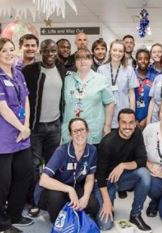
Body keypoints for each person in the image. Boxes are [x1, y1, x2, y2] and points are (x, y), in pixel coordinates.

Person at [22, 39, 66, 217]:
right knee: (33, 166)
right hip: (36, 128)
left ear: (57, 52)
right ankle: (34, 200)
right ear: (40, 51)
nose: (50, 54)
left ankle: (50, 198)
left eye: (53, 51)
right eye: (46, 51)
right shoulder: (30, 71)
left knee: (52, 164)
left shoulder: (62, 69)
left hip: (55, 126)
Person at [95, 108, 151, 232]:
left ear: (135, 123)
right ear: (118, 123)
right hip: (105, 182)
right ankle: (104, 202)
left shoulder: (137, 133)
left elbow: (142, 160)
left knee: (144, 174)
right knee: (105, 225)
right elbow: (99, 176)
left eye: (131, 122)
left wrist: (123, 165)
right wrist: (107, 202)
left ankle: (135, 215)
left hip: (122, 178)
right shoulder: (107, 142)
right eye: (124, 122)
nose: (127, 126)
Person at [34, 118, 99, 223]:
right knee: (56, 198)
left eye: (82, 129)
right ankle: (58, 222)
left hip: (73, 186)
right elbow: (43, 180)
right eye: (75, 131)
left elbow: (90, 177)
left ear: (87, 131)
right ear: (70, 135)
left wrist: (86, 196)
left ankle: (71, 213)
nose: (79, 133)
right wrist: (70, 190)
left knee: (93, 205)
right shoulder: (62, 151)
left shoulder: (92, 150)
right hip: (52, 190)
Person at [0, 38, 33, 233]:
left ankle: (14, 214)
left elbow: (26, 100)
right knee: (3, 182)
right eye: (4, 50)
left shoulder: (18, 74)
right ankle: (2, 224)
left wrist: (26, 125)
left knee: (25, 174)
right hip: (4, 137)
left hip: (23, 134)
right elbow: (3, 108)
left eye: (11, 50)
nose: (9, 53)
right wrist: (21, 127)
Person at [61, 48, 114, 145]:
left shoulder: (101, 79)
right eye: (79, 59)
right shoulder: (67, 80)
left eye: (86, 58)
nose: (82, 61)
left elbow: (110, 103)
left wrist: (107, 125)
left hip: (93, 129)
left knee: (93, 158)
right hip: (71, 130)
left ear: (91, 61)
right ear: (75, 62)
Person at [97, 39, 138, 129]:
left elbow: (131, 94)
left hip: (123, 113)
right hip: (105, 113)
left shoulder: (129, 70)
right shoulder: (101, 70)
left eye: (120, 51)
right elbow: (98, 94)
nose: (117, 53)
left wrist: (132, 115)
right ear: (110, 51)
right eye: (115, 50)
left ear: (123, 53)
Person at [134, 48, 153, 130]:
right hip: (132, 118)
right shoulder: (131, 74)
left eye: (146, 59)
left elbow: (154, 100)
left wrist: (146, 120)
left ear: (149, 60)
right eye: (140, 59)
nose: (143, 61)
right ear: (136, 60)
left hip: (149, 117)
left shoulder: (154, 76)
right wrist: (133, 119)